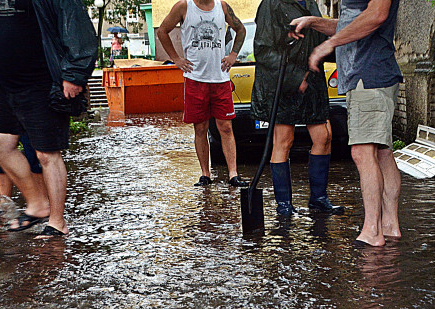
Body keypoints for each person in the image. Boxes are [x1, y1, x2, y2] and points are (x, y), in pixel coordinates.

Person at [0, 0, 96, 239]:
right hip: (2, 86)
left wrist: (74, 75)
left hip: (40, 83)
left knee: (47, 153)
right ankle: (37, 203)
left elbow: (77, 27)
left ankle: (57, 222)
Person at [291, 0, 402, 246]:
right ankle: (389, 225)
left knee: (362, 151)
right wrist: (314, 23)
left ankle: (373, 231)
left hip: (370, 74)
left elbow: (376, 15)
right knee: (382, 152)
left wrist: (328, 45)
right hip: (363, 75)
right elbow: (350, 24)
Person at [251, 0, 340, 217]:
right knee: (284, 140)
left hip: (312, 79)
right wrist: (295, 76)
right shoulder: (271, 4)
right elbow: (262, 50)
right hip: (283, 82)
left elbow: (318, 38)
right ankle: (284, 205)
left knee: (324, 136)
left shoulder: (310, 2)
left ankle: (318, 199)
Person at [157, 0, 249, 188]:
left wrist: (233, 55)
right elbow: (162, 31)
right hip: (195, 78)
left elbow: (241, 30)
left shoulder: (221, 7)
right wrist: (176, 59)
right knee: (200, 128)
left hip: (220, 79)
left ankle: (233, 174)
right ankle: (205, 174)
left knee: (226, 127)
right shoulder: (183, 7)